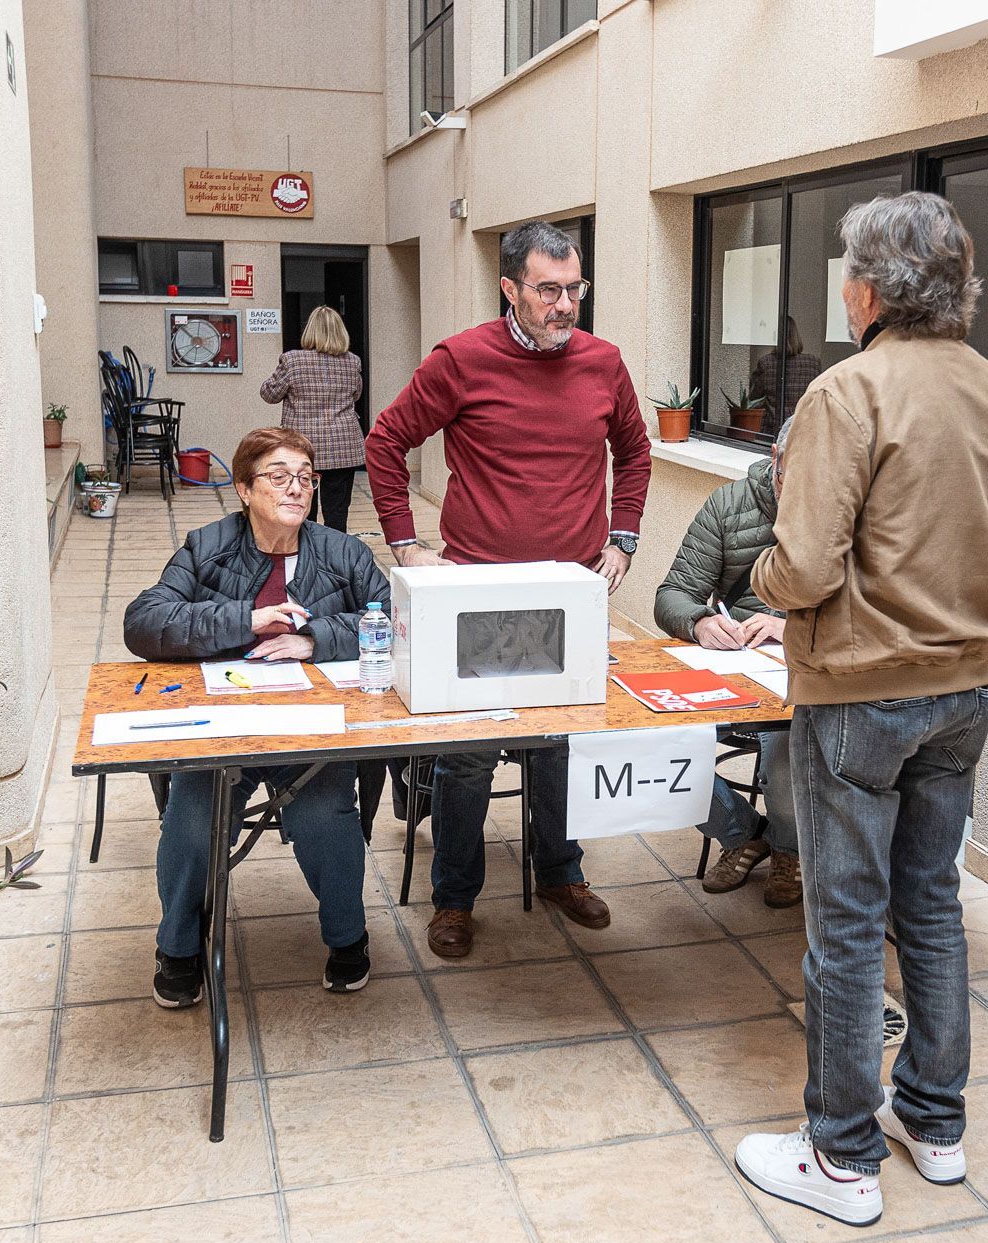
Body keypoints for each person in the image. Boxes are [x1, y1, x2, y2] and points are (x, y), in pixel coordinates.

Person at [732, 192, 988, 1225]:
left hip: (861, 696)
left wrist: (763, 583)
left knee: (848, 928)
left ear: (865, 287)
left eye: (845, 273)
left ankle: (842, 1156)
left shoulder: (845, 391)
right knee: (932, 908)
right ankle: (935, 1127)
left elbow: (806, 565)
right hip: (965, 692)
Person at [364, 219, 652, 959]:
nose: (564, 305)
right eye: (548, 290)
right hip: (479, 592)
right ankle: (455, 898)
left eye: (574, 289)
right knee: (471, 752)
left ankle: (560, 872)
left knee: (561, 740)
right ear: (510, 288)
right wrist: (406, 544)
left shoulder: (603, 363)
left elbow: (636, 451)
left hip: (572, 594)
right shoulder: (461, 360)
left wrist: (623, 539)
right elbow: (387, 441)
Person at [124, 427, 391, 1004]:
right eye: (278, 476)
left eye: (305, 477)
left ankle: (348, 940)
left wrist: (315, 638)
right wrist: (245, 620)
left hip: (313, 729)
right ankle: (178, 947)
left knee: (324, 818)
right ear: (243, 488)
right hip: (226, 724)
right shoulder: (207, 546)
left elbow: (393, 621)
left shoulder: (344, 553)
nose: (296, 488)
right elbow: (143, 622)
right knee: (193, 817)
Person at [654, 419, 799, 908]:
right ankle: (743, 833)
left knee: (789, 751)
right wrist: (698, 622)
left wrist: (794, 630)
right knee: (656, 743)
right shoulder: (729, 504)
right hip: (731, 665)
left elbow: (869, 610)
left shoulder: (851, 509)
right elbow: (672, 593)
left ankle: (789, 851)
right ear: (775, 456)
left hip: (803, 671)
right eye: (793, 471)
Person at [260, 306, 364, 533]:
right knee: (337, 512)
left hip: (301, 447)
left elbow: (269, 395)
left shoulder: (292, 361)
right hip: (342, 446)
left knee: (301, 507)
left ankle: (305, 555)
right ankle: (335, 558)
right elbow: (356, 394)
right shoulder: (352, 362)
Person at [749, 316, 822, 426]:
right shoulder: (813, 363)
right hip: (803, 426)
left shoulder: (765, 363)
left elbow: (754, 398)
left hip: (772, 428)